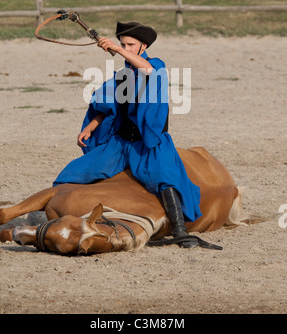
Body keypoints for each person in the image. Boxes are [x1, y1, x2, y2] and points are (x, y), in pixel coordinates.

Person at [53, 21, 202, 248]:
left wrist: (118, 48)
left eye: (131, 44)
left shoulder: (156, 65)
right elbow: (111, 106)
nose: (126, 48)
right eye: (123, 44)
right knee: (74, 172)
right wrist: (91, 126)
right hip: (121, 143)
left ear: (143, 46)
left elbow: (147, 70)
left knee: (166, 176)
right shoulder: (123, 75)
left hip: (150, 143)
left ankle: (180, 230)